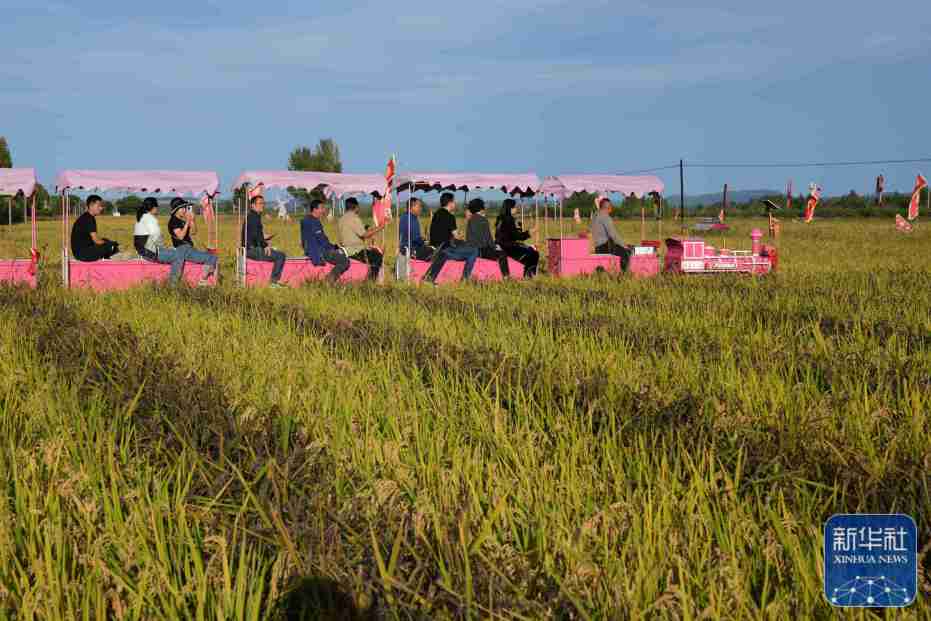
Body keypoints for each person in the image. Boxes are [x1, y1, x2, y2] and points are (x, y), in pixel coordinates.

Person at [133, 197, 213, 286]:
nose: (158, 208)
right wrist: (187, 222)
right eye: (157, 207)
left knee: (175, 253)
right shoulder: (151, 220)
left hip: (147, 250)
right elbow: (157, 239)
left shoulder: (144, 218)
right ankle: (173, 284)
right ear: (153, 208)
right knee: (177, 256)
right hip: (149, 252)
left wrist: (191, 221)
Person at [423, 192, 477, 284]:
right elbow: (456, 236)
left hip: (436, 246)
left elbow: (443, 233)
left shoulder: (437, 214)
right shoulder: (450, 216)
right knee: (474, 251)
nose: (455, 204)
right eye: (454, 201)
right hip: (444, 249)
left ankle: (429, 278)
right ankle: (465, 278)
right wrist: (464, 229)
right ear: (450, 203)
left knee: (463, 245)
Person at [167, 198, 218, 280]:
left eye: (185, 208)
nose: (184, 210)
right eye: (182, 208)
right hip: (183, 249)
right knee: (212, 257)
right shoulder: (173, 221)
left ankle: (207, 276)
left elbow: (194, 232)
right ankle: (204, 279)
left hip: (188, 248)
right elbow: (181, 236)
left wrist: (192, 221)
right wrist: (187, 222)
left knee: (212, 256)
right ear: (176, 209)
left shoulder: (181, 220)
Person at [243, 195, 287, 287]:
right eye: (260, 203)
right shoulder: (253, 217)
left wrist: (266, 238)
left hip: (251, 248)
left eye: (263, 203)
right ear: (252, 205)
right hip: (252, 250)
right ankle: (274, 282)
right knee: (280, 256)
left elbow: (256, 234)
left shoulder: (253, 216)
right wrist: (265, 245)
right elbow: (255, 235)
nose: (262, 205)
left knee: (275, 251)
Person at [301, 199, 349, 283]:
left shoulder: (306, 220)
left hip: (312, 250)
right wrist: (334, 247)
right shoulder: (313, 222)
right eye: (321, 208)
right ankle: (329, 280)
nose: (323, 210)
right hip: (319, 251)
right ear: (315, 209)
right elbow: (322, 240)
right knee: (344, 261)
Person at [338, 197, 384, 281]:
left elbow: (355, 232)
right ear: (356, 207)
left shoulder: (341, 219)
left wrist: (369, 229)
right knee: (377, 256)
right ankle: (371, 280)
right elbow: (365, 235)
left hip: (345, 249)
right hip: (355, 251)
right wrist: (380, 227)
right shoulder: (354, 218)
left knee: (372, 252)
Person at [465, 198, 510, 277]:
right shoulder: (483, 220)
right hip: (481, 250)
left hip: (471, 249)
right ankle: (506, 276)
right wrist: (495, 247)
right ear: (481, 208)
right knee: (502, 254)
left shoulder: (470, 220)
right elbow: (487, 238)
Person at [495, 198, 539, 278]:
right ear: (510, 208)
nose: (516, 209)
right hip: (508, 247)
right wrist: (529, 232)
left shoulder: (500, 219)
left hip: (500, 245)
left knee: (528, 250)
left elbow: (505, 234)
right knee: (534, 253)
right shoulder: (509, 219)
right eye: (514, 207)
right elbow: (517, 236)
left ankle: (524, 272)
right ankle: (529, 275)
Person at [71, 194, 120, 261]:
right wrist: (110, 244)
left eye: (101, 206)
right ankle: (105, 261)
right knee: (111, 246)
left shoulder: (86, 217)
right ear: (91, 205)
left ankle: (105, 258)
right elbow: (96, 240)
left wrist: (107, 242)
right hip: (83, 254)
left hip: (81, 252)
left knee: (106, 241)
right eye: (99, 206)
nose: (101, 208)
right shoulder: (88, 219)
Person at [592, 197, 631, 270]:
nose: (611, 208)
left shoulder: (595, 216)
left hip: (597, 247)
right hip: (606, 247)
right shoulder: (605, 217)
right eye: (610, 206)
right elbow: (613, 235)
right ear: (608, 207)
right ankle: (623, 274)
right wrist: (624, 246)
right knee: (626, 253)